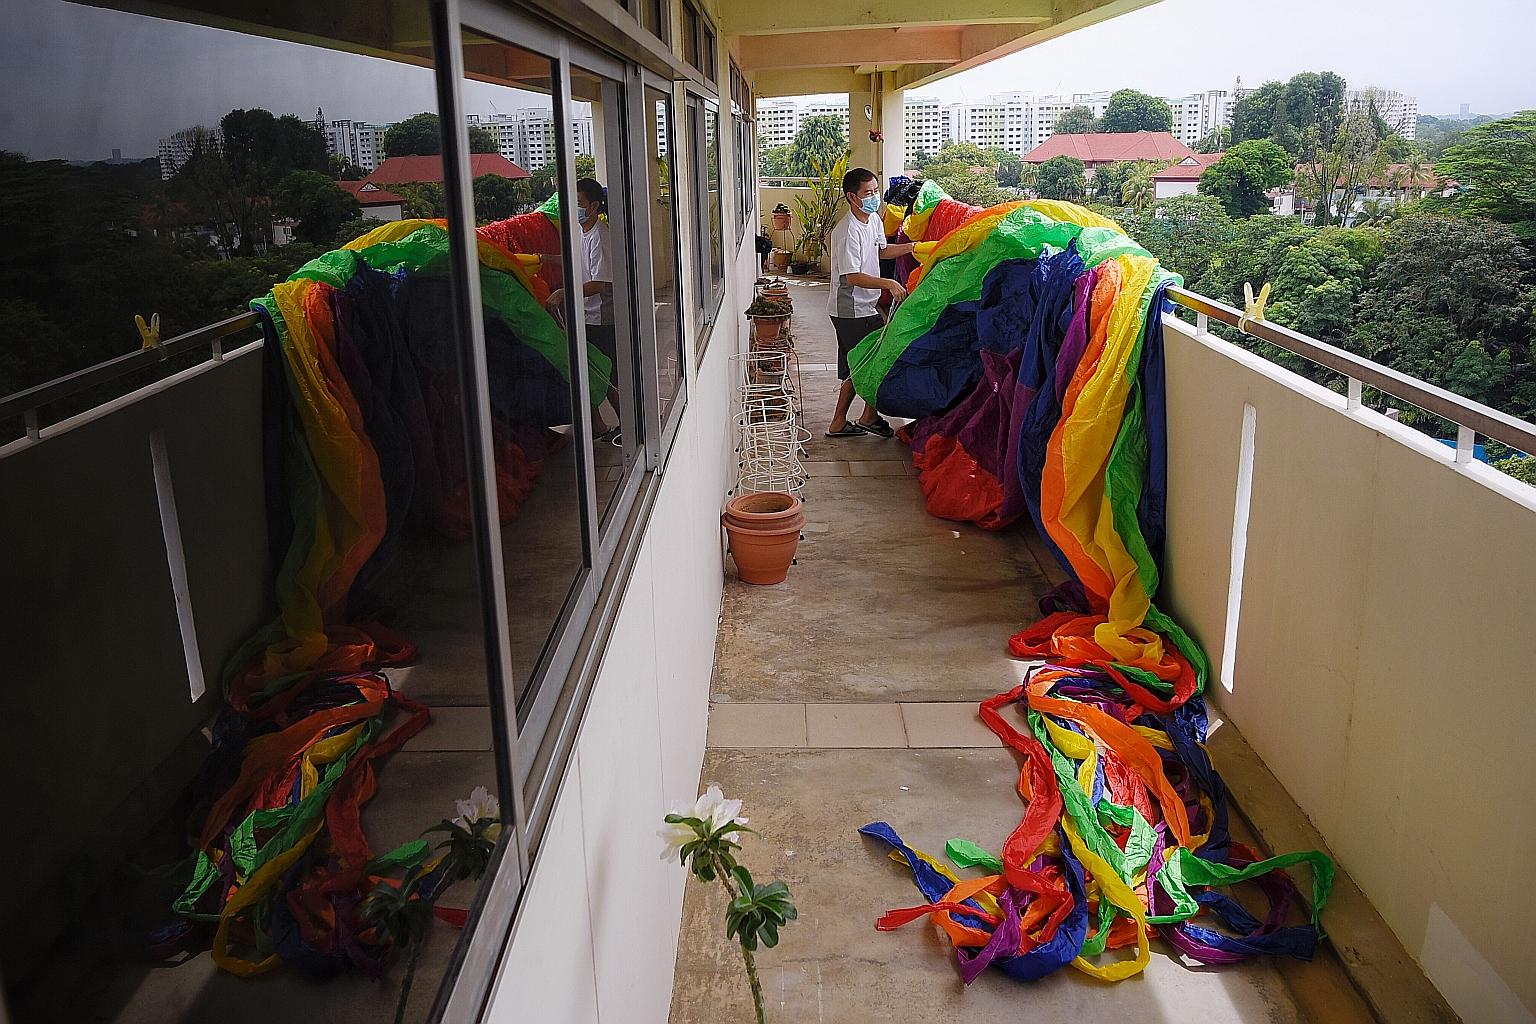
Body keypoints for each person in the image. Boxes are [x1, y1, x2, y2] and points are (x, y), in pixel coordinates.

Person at [825, 167, 915, 438]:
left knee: (860, 363)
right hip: (850, 309)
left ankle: (863, 417)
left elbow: (883, 251)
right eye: (868, 193)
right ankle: (846, 421)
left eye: (876, 191)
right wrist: (888, 283)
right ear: (852, 197)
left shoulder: (873, 220)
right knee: (866, 362)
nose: (874, 197)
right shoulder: (847, 231)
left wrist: (914, 247)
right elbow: (852, 277)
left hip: (864, 305)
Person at [546, 178, 622, 444]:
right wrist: (541, 259)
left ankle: (627, 425)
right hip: (584, 314)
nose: (574, 209)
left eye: (579, 204)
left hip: (601, 318)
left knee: (606, 373)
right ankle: (598, 426)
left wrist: (563, 293)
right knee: (585, 371)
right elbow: (571, 259)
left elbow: (599, 284)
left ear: (594, 207)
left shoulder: (600, 236)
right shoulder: (580, 231)